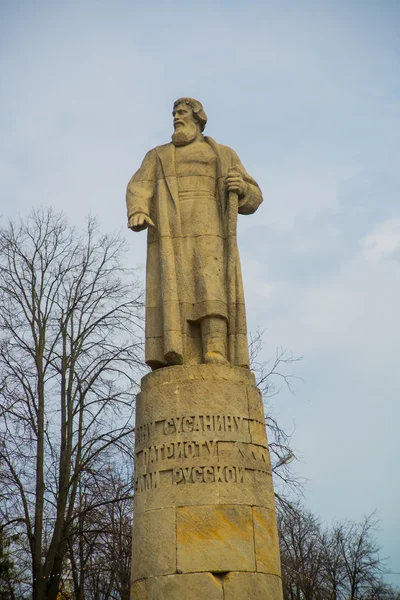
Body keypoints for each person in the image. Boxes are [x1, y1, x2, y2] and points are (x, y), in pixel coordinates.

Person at [126, 98, 262, 370]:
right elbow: (139, 186)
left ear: (198, 119)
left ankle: (215, 349)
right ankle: (176, 350)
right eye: (174, 113)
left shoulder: (222, 153)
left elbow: (254, 195)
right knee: (173, 292)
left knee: (211, 287)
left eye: (182, 113)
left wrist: (243, 188)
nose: (177, 117)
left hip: (210, 228)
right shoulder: (158, 155)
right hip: (171, 231)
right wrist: (137, 210)